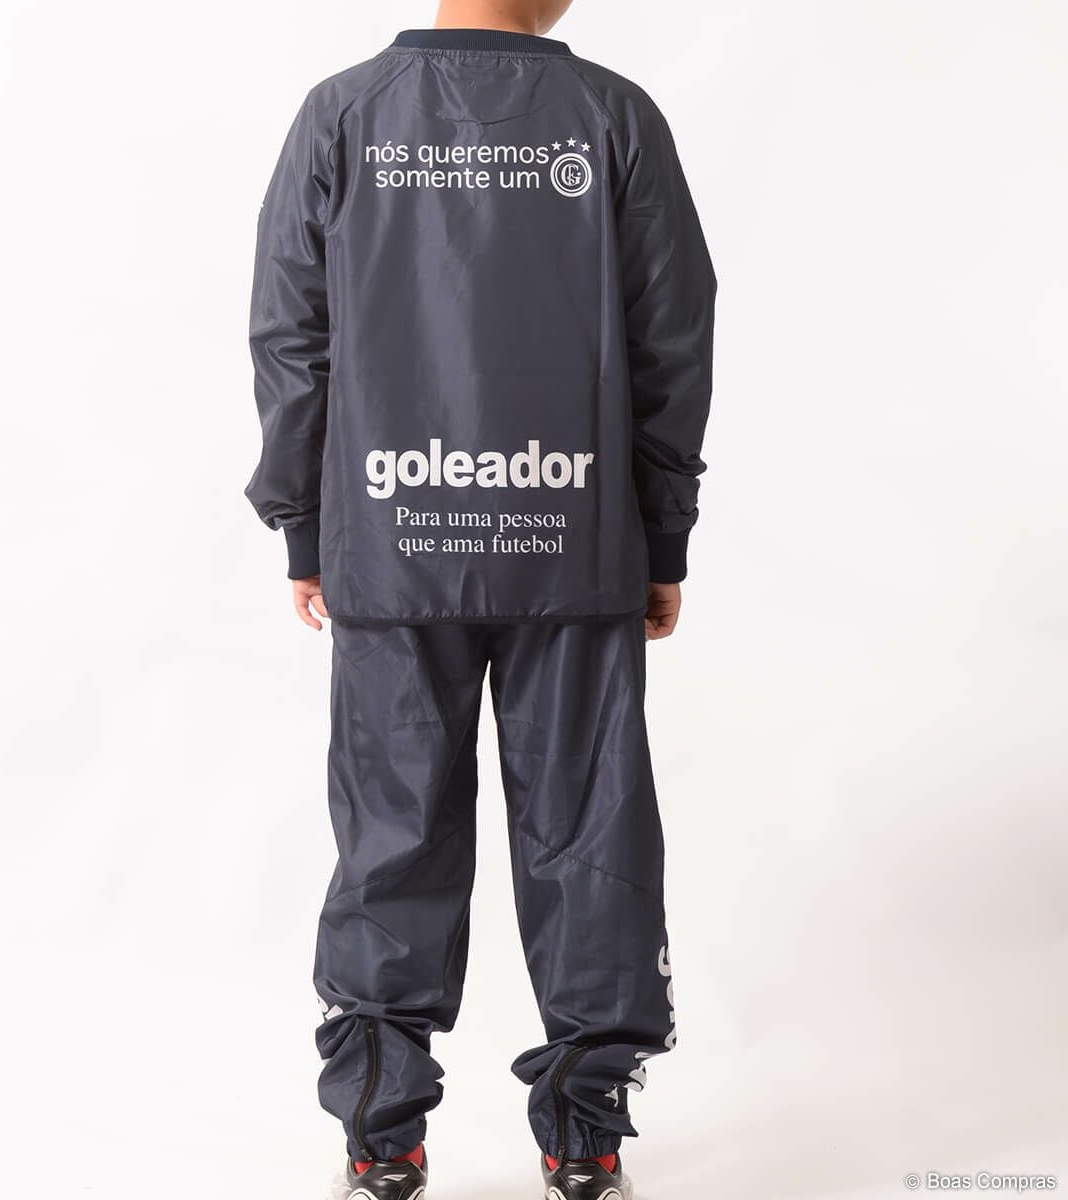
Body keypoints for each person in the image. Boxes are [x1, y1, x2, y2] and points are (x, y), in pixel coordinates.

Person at [244, 2, 716, 1197]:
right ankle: (586, 1141)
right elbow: (672, 334)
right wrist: (661, 530)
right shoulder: (612, 117)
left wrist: (304, 518)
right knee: (590, 832)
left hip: (392, 535)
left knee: (391, 836)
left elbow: (292, 333)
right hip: (573, 538)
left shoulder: (343, 116)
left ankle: (381, 1141)